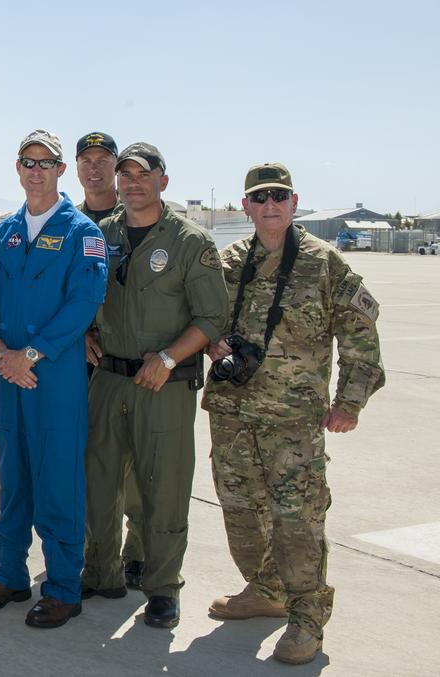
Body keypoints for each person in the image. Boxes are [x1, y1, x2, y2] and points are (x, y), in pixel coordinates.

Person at [204, 163, 384, 665]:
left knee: (297, 518)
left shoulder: (324, 263)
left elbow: (361, 333)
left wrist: (350, 400)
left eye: (278, 196)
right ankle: (264, 588)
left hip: (294, 420)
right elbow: (198, 318)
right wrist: (210, 341)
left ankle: (307, 617)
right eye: (259, 198)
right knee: (240, 509)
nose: (269, 206)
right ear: (245, 206)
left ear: (294, 201)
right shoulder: (229, 261)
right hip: (233, 411)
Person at [81, 142, 229, 629]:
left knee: (162, 487)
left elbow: (212, 316)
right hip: (108, 379)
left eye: (142, 174)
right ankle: (102, 572)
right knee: (99, 480)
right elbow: (79, 293)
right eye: (125, 175)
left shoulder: (190, 242)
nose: (132, 182)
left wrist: (168, 357)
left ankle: (163, 587)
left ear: (163, 180)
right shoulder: (101, 234)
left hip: (163, 385)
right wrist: (84, 332)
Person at [0, 130, 107, 628]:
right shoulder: (2, 232)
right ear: (17, 168)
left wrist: (30, 354)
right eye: (28, 163)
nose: (36, 171)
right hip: (8, 374)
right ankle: (8, 574)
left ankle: (64, 586)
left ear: (60, 170)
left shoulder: (82, 233)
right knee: (13, 477)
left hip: (54, 376)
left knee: (58, 481)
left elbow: (83, 304)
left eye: (45, 162)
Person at [75, 131, 146, 591]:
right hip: (80, 363)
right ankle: (93, 554)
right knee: (91, 463)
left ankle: (137, 553)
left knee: (138, 466)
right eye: (87, 160)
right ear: (76, 168)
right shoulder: (69, 221)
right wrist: (78, 331)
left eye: (105, 160)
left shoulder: (139, 220)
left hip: (131, 361)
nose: (95, 168)